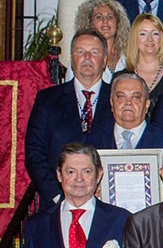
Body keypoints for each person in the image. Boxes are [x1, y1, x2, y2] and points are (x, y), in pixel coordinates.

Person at [25, 30, 115, 210]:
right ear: (72, 59)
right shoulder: (47, 99)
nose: (87, 57)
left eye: (94, 52)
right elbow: (34, 152)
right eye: (80, 52)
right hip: (57, 205)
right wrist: (58, 196)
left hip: (106, 203)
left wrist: (107, 191)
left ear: (105, 60)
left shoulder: (117, 98)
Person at [85, 72, 163, 151]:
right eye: (121, 97)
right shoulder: (91, 143)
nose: (128, 103)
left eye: (136, 97)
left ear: (147, 104)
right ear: (112, 103)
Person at [126, 14, 163, 118]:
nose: (150, 39)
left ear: (161, 39)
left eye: (155, 34)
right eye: (143, 34)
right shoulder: (121, 79)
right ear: (134, 38)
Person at [68, 0, 130, 83]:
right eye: (99, 17)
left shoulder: (128, 55)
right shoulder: (81, 57)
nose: (105, 21)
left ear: (118, 23)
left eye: (110, 17)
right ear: (89, 23)